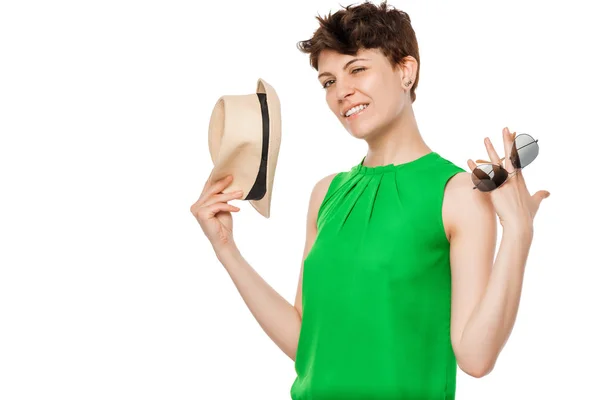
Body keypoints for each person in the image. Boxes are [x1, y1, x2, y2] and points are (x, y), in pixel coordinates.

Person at [189, 1, 550, 399]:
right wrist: (226, 249)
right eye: (328, 82)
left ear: (405, 71)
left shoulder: (458, 193)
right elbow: (306, 343)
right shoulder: (326, 193)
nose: (342, 92)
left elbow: (476, 358)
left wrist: (518, 232)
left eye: (357, 69)